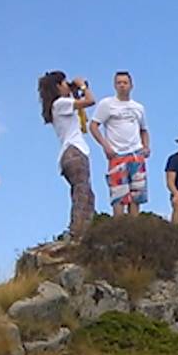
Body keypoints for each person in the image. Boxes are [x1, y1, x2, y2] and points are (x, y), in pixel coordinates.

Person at [37, 71, 96, 237]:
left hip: (70, 154)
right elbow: (90, 101)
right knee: (82, 193)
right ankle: (77, 232)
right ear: (57, 86)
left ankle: (82, 230)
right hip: (74, 151)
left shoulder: (60, 105)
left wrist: (75, 91)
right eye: (64, 83)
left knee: (86, 194)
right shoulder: (60, 103)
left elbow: (82, 119)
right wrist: (83, 86)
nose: (67, 85)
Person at [90, 71, 148, 216]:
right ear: (114, 85)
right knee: (119, 197)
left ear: (131, 85)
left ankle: (134, 232)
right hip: (117, 155)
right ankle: (119, 231)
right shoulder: (107, 104)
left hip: (136, 154)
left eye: (125, 82)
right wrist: (106, 146)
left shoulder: (138, 107)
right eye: (119, 83)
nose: (122, 86)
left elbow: (144, 129)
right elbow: (93, 125)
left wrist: (146, 147)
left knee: (136, 197)